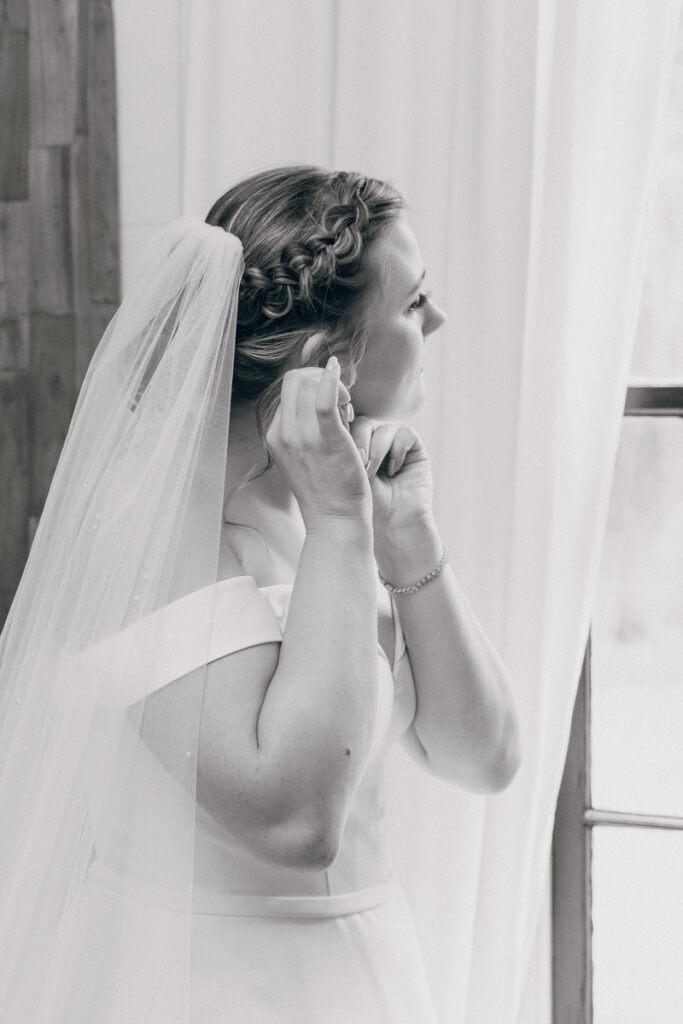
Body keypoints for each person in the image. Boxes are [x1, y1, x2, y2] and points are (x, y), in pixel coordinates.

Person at [0, 166, 519, 1024]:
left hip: (361, 972)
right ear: (324, 363)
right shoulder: (155, 533)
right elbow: (294, 823)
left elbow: (484, 758)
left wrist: (410, 539)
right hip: (204, 987)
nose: (436, 321)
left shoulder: (333, 498)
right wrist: (341, 527)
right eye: (412, 303)